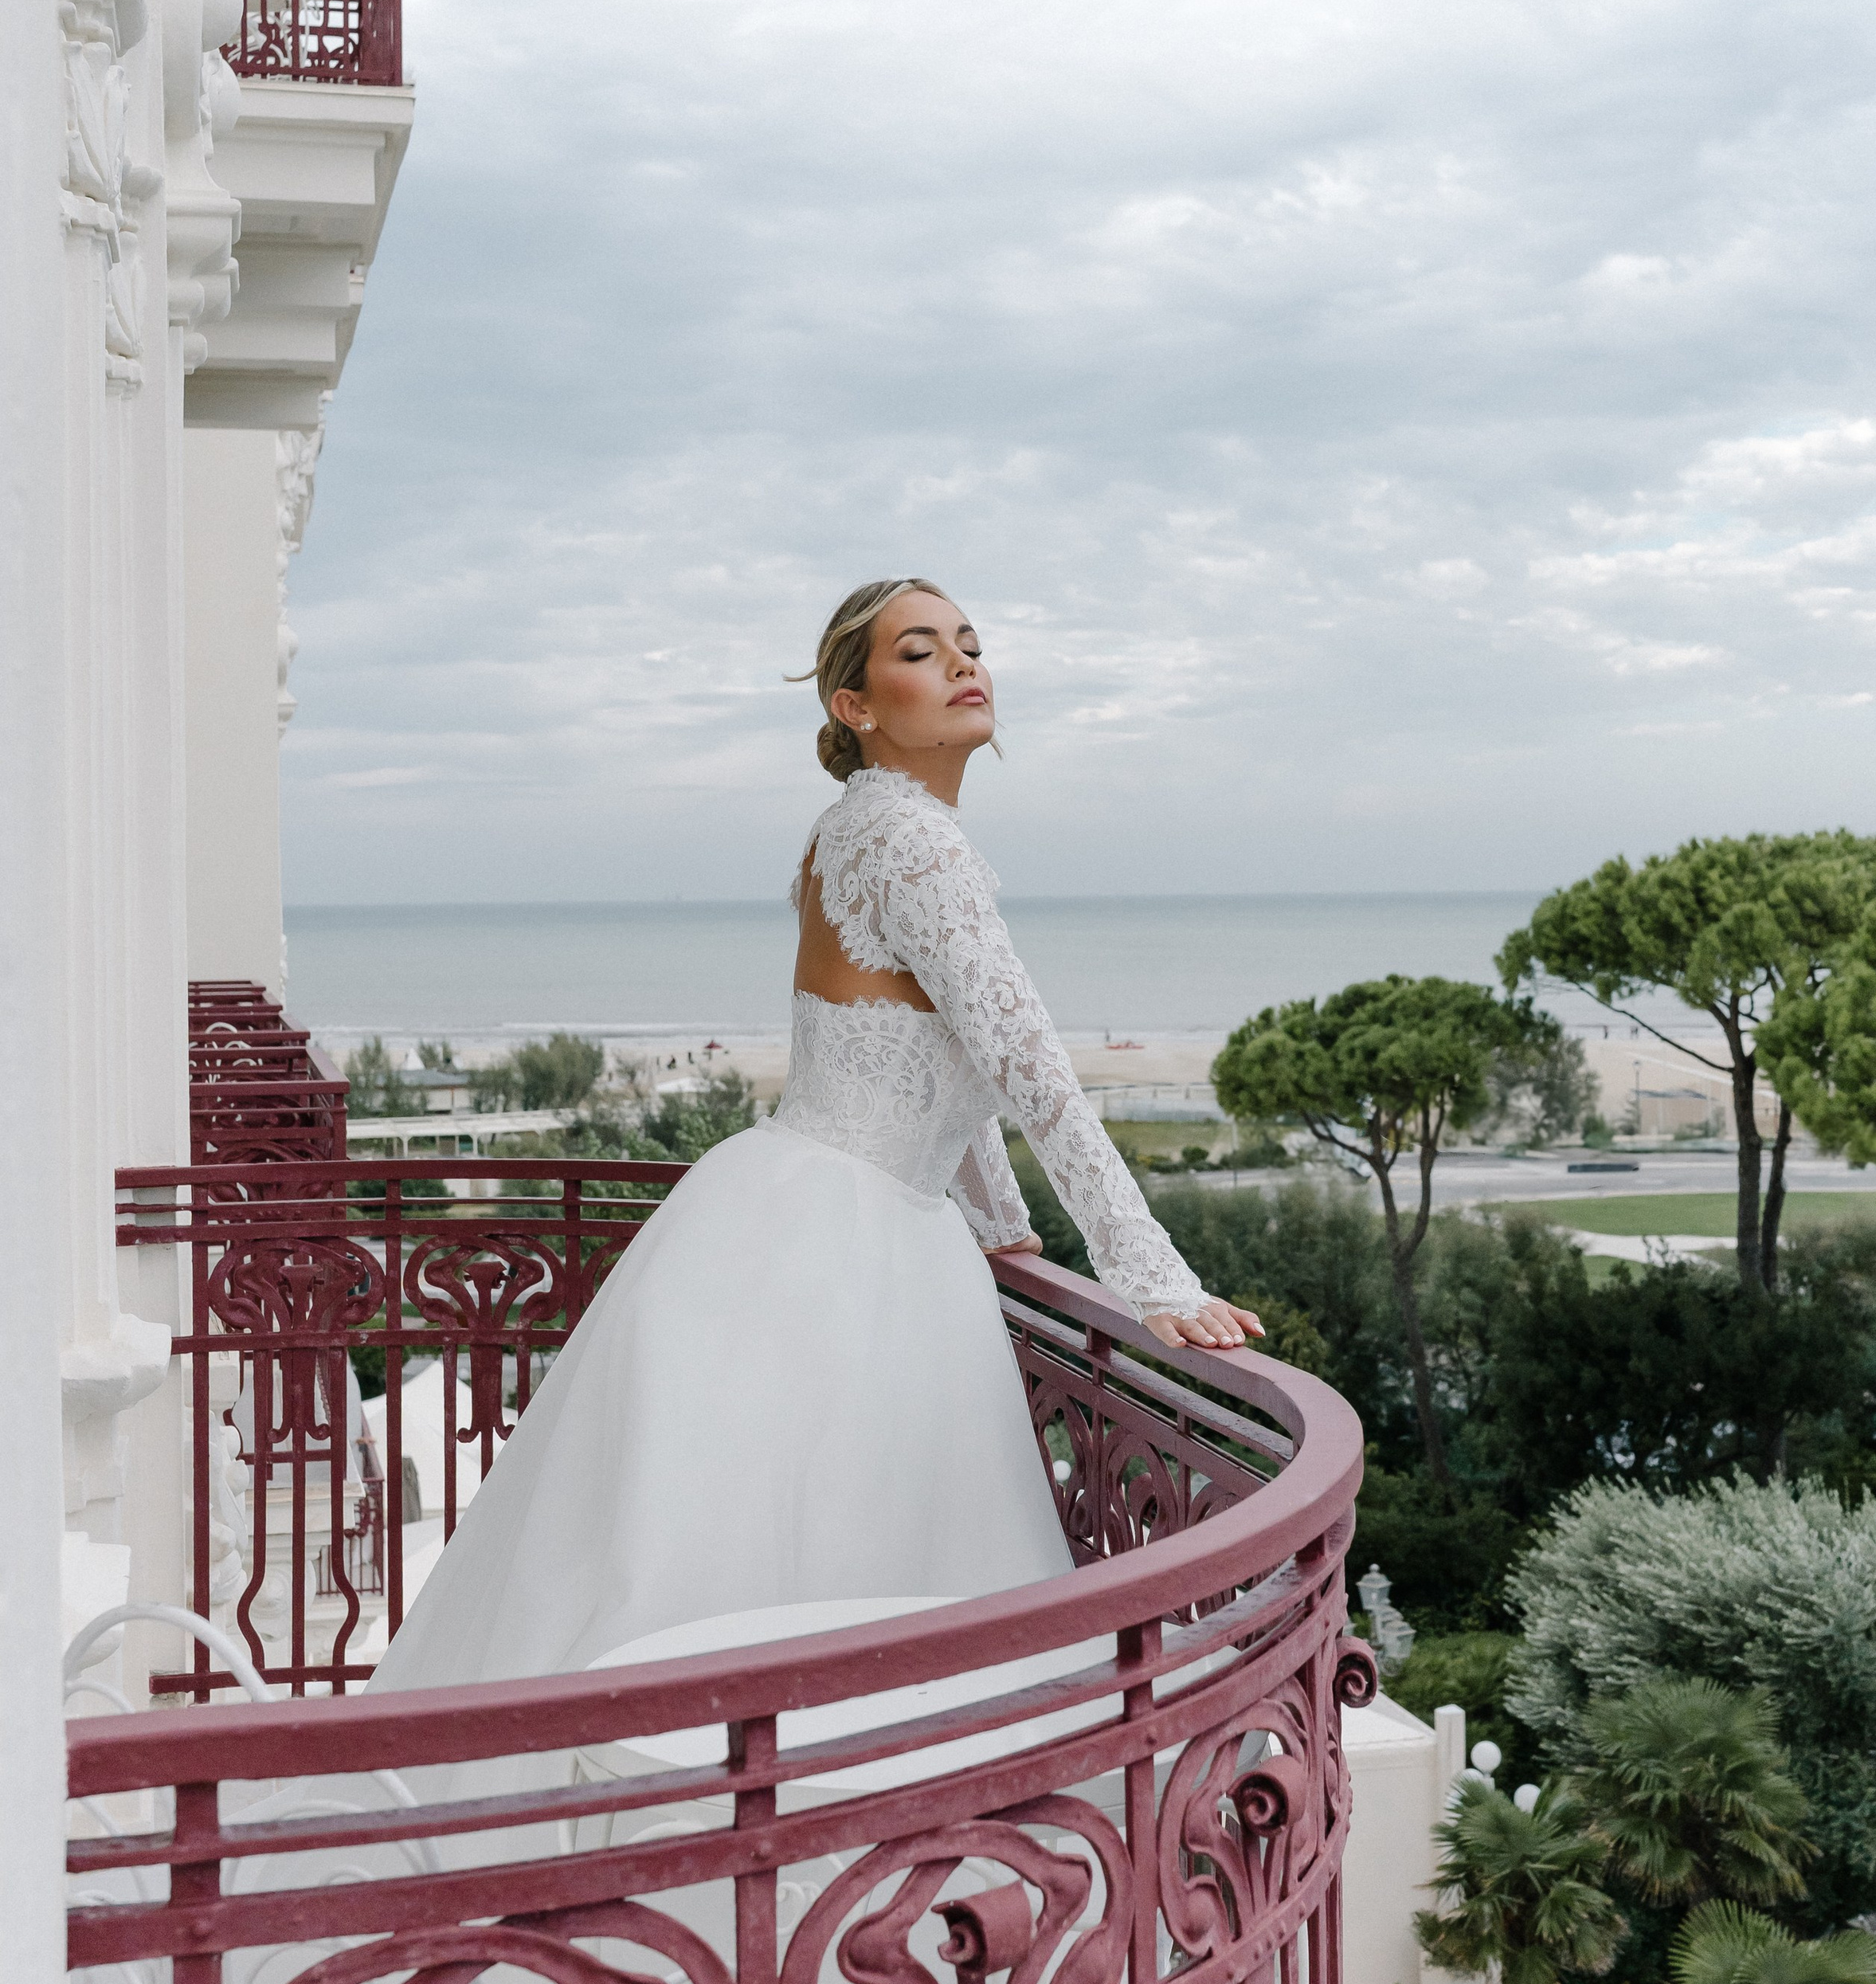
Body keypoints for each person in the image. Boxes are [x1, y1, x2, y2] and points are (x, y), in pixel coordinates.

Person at [371, 578, 1257, 1693]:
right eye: (921, 652)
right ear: (856, 706)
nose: (963, 665)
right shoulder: (918, 844)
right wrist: (1148, 1274)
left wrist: (999, 1219)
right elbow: (1031, 1069)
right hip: (852, 1239)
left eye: (970, 645)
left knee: (718, 1549)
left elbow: (927, 1043)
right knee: (823, 1563)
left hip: (781, 1204)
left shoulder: (854, 828)